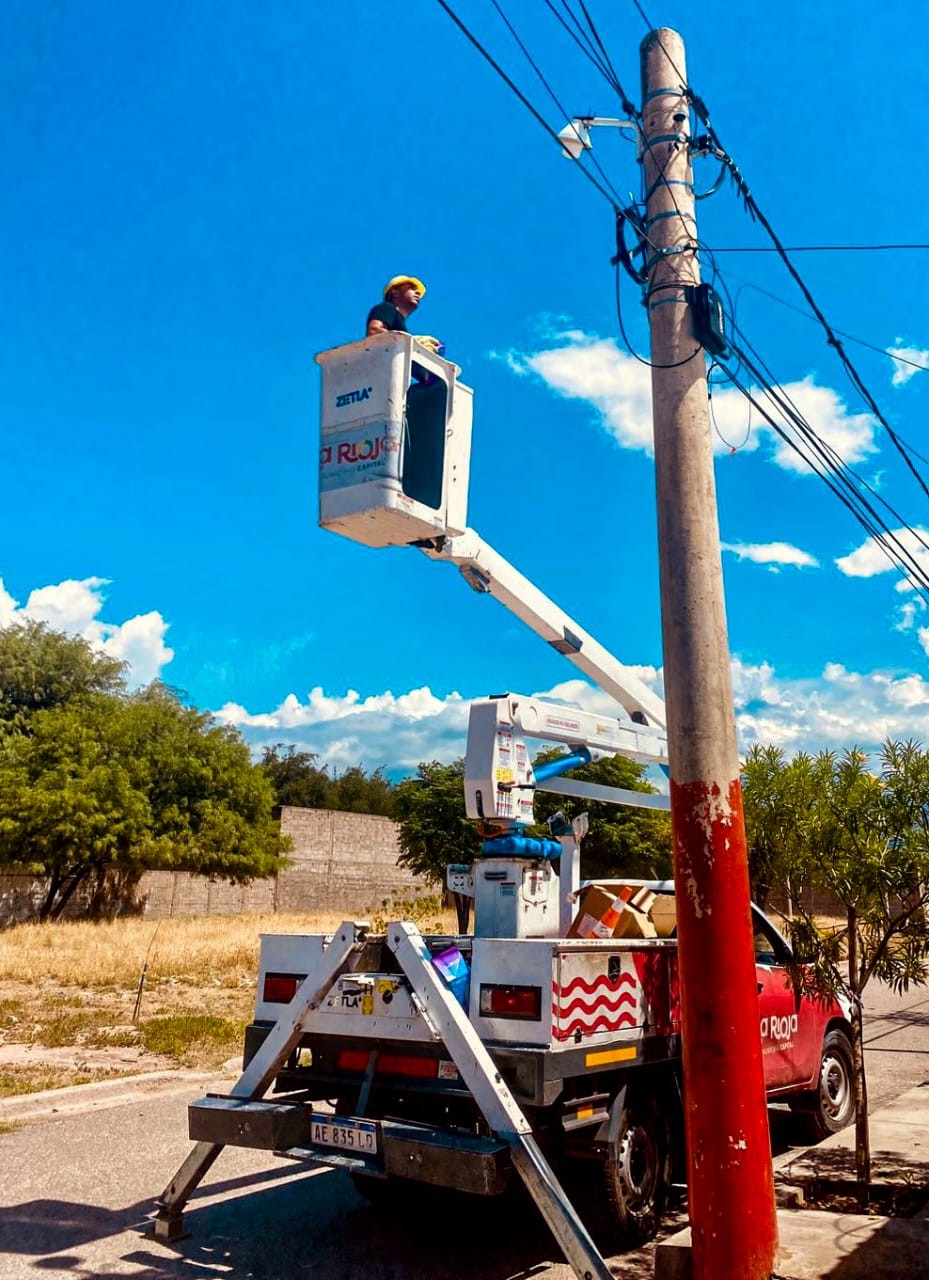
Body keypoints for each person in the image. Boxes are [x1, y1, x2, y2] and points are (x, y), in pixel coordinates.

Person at [366, 275, 441, 354]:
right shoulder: (387, 308)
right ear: (395, 293)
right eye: (411, 288)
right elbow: (374, 330)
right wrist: (410, 342)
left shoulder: (398, 322)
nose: (418, 293)